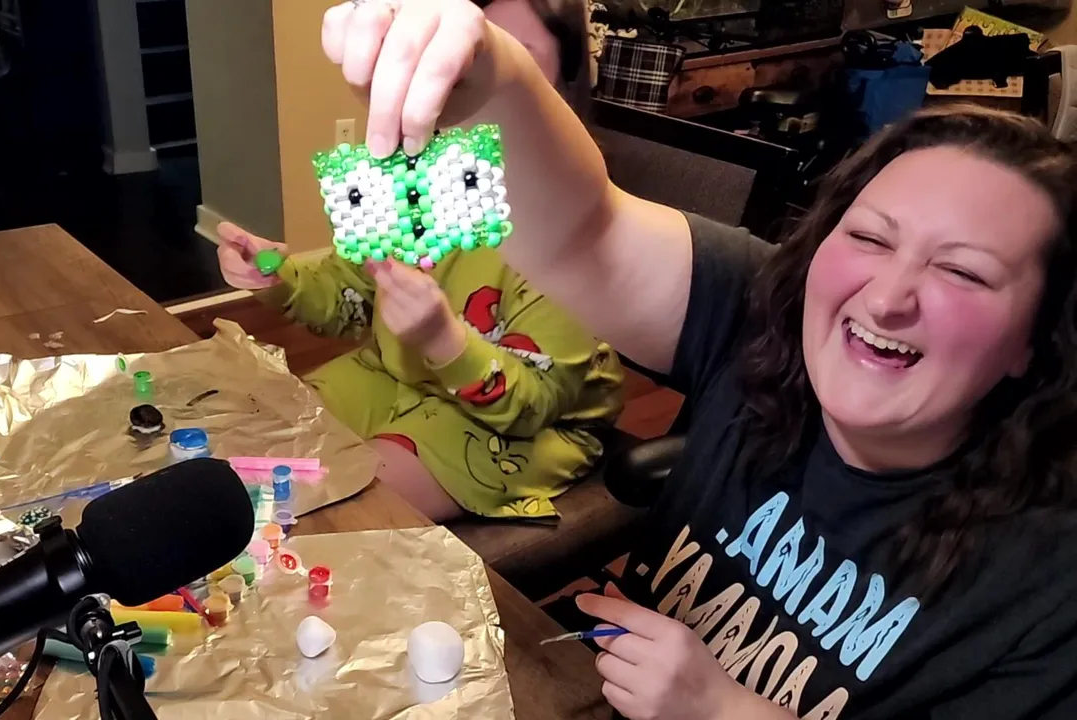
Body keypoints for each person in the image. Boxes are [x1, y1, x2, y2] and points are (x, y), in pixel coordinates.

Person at [320, 1, 1077, 719]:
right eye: (870, 237)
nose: (886, 298)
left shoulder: (1046, 587)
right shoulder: (766, 310)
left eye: (963, 272)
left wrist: (726, 709)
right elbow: (584, 230)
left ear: (1035, 340)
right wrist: (493, 72)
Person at [217, 0, 622, 524]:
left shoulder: (574, 220)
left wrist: (443, 339)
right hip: (397, 373)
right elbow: (347, 297)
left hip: (524, 423)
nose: (479, 80)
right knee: (264, 435)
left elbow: (533, 405)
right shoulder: (408, 183)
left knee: (336, 502)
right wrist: (279, 277)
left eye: (515, 59)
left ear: (563, 84)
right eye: (465, 58)